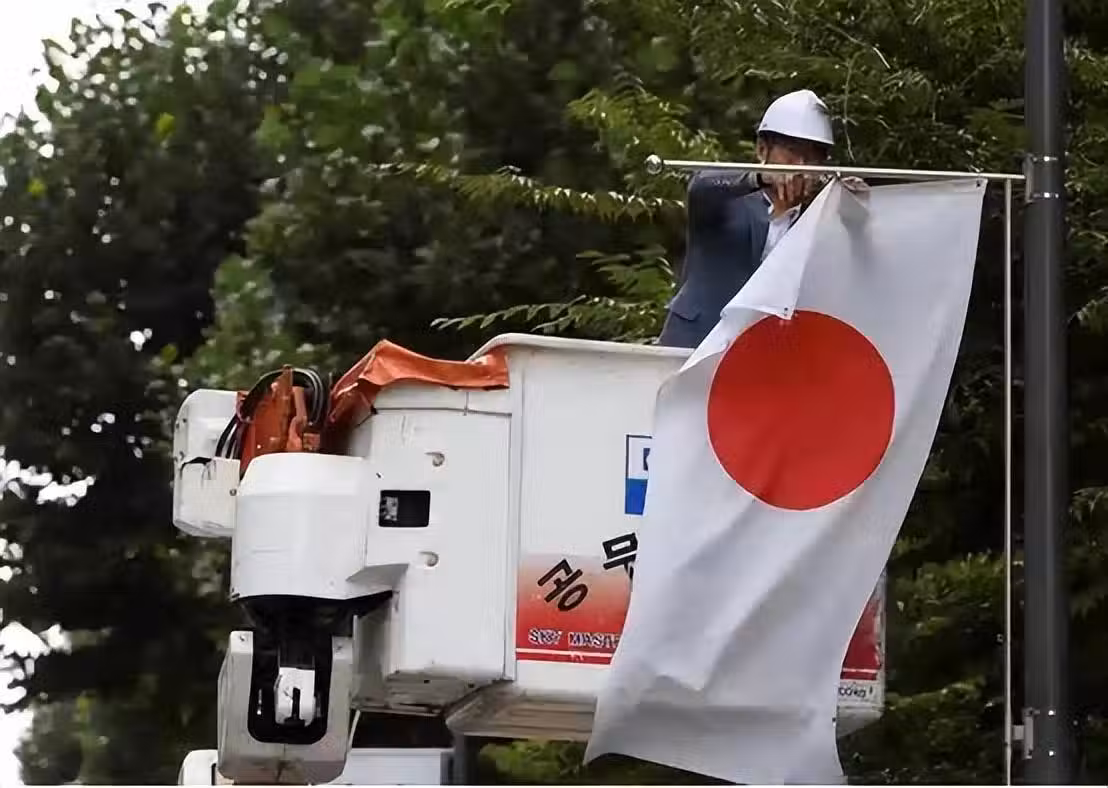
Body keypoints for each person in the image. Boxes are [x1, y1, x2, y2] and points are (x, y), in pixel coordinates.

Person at [658, 89, 845, 349]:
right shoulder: (726, 200)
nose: (801, 164)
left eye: (813, 155)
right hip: (694, 344)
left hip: (761, 355)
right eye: (791, 151)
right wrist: (760, 177)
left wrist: (854, 206)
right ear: (761, 149)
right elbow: (701, 186)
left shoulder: (818, 221)